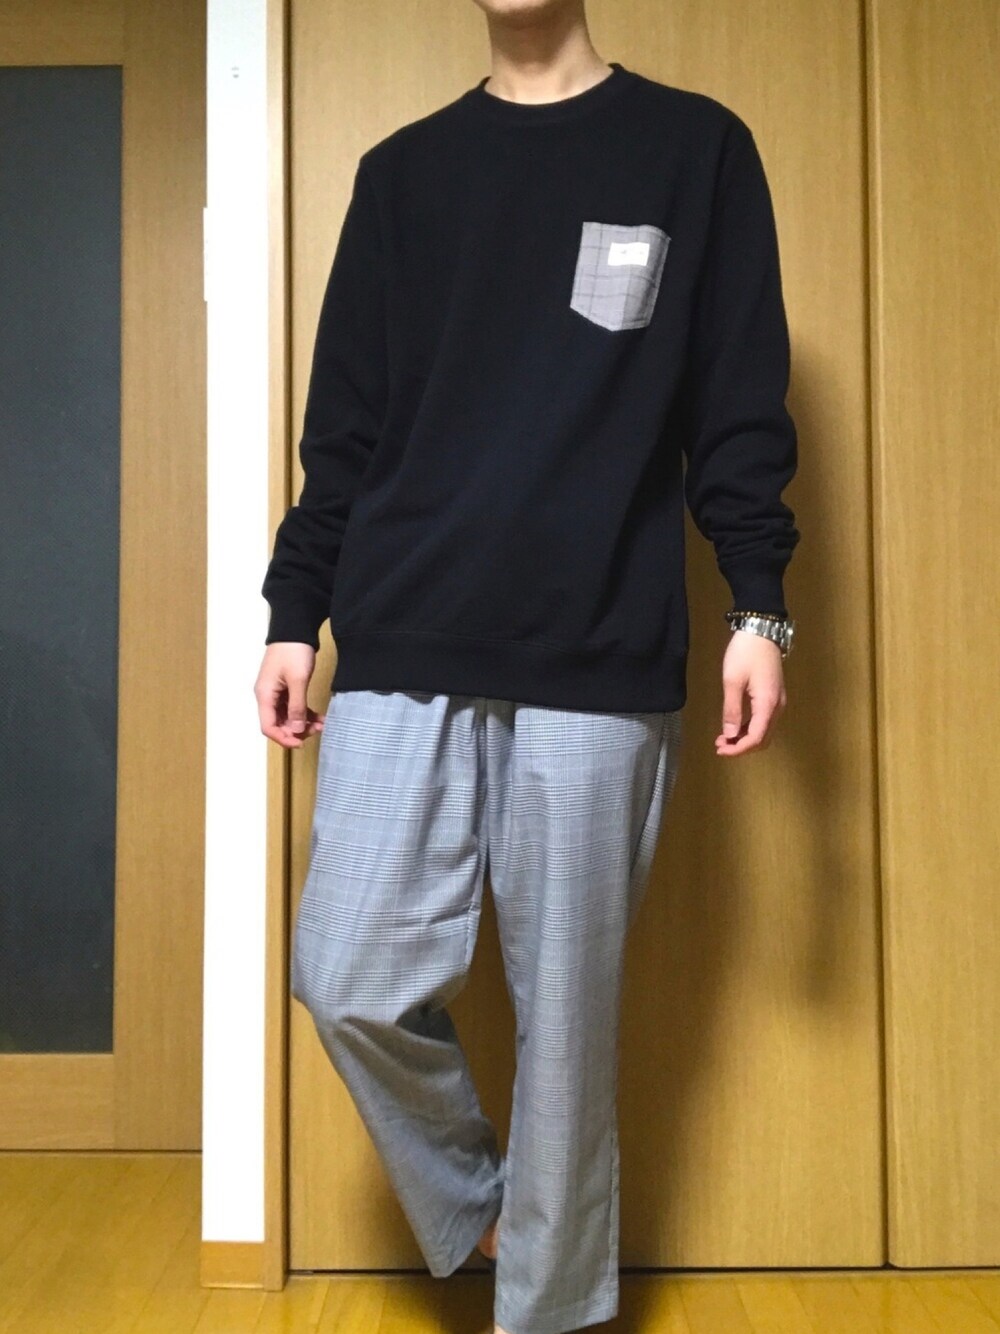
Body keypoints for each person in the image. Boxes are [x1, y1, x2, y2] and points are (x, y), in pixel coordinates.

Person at [254, 2, 800, 1330]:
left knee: (565, 1034)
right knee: (349, 972)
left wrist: (760, 604)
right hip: (404, 629)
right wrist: (294, 608)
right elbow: (346, 427)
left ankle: (551, 1306)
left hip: (599, 645)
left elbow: (736, 399)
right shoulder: (402, 175)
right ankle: (480, 1208)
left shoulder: (696, 151)